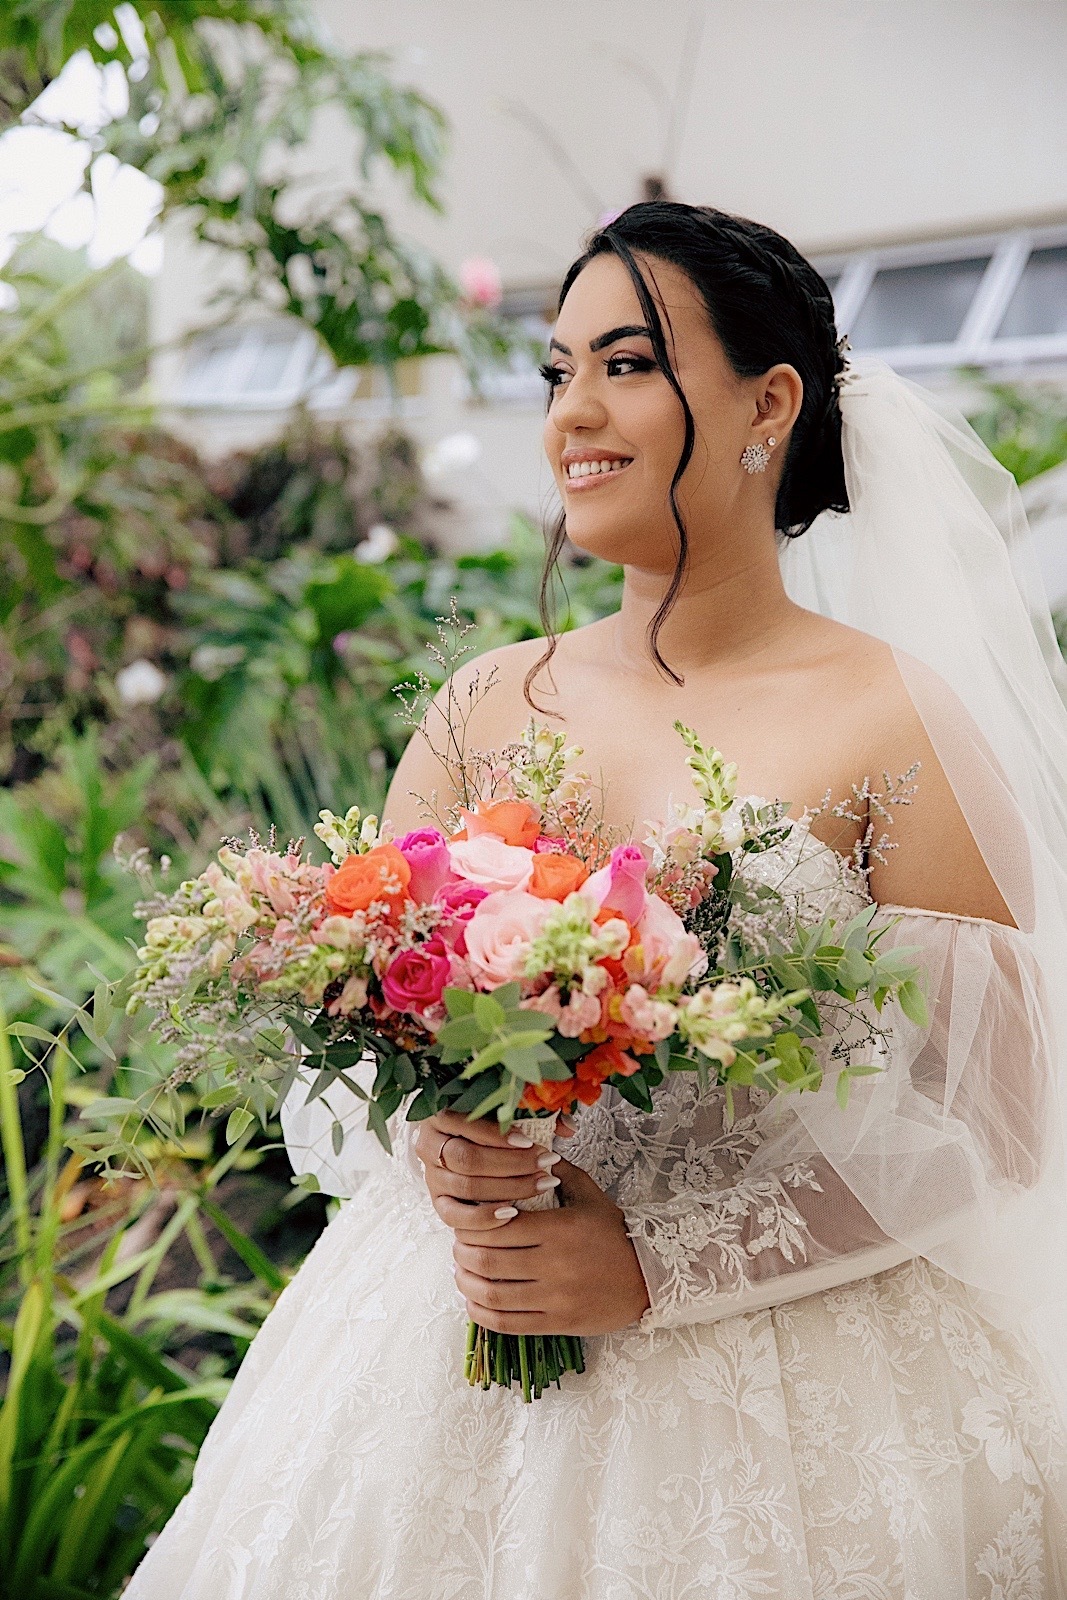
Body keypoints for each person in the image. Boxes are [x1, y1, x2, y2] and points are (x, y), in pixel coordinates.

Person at [124, 203, 1067, 1597]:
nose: (574, 410)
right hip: (439, 1347)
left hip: (786, 1400)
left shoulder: (891, 718)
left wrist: (662, 1270)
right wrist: (445, 1141)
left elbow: (995, 1120)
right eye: (558, 371)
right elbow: (366, 1026)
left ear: (770, 401)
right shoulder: (481, 702)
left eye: (626, 363)